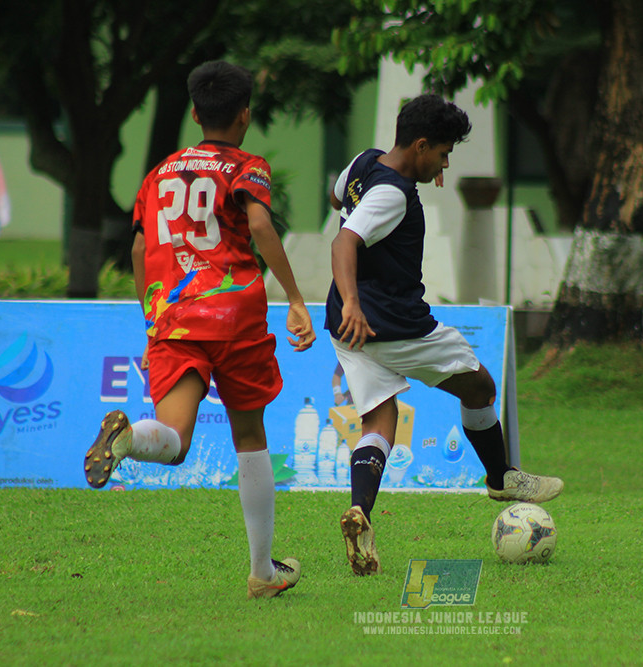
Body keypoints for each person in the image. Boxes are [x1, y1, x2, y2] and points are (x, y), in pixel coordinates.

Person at [82, 60, 316, 599]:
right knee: (250, 436)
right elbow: (259, 224)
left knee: (175, 439)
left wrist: (151, 316)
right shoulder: (247, 166)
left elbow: (141, 248)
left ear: (193, 112)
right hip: (235, 315)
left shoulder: (157, 174)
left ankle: (129, 437)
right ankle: (262, 573)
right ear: (245, 115)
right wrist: (297, 299)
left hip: (174, 317)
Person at [325, 94, 563, 576]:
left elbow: (338, 200)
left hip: (347, 327)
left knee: (378, 422)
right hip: (392, 322)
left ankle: (361, 514)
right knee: (479, 385)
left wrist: (348, 301)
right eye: (443, 153)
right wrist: (356, 298)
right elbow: (344, 239)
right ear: (420, 144)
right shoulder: (393, 194)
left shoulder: (364, 163)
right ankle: (501, 477)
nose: (446, 163)